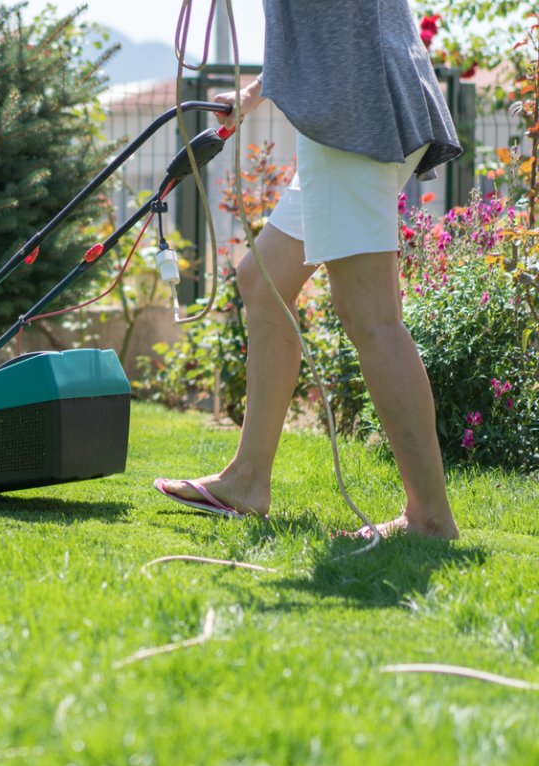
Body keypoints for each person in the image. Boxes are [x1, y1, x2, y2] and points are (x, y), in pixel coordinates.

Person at [153, 0, 462, 540]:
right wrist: (252, 94)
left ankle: (430, 519)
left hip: (356, 113)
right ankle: (247, 480)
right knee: (263, 281)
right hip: (358, 104)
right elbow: (316, 28)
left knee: (371, 315)